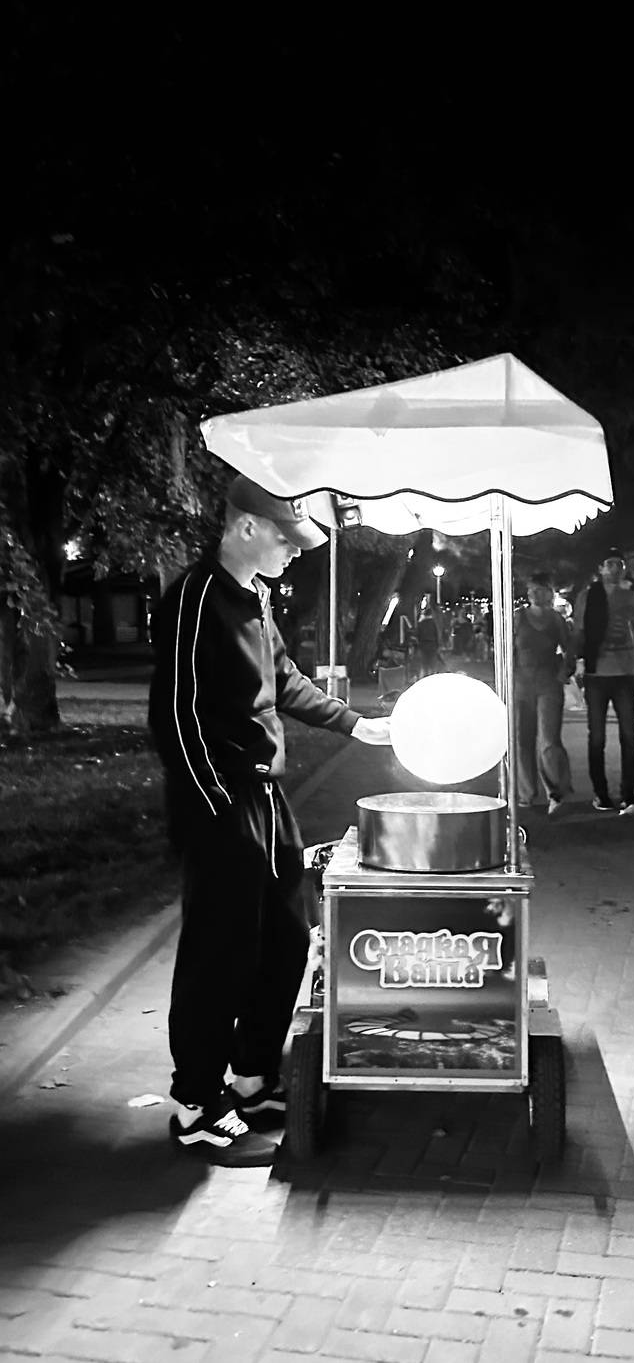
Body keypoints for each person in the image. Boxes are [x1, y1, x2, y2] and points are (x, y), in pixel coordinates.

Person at [149, 475, 391, 1166]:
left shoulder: (255, 596)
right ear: (247, 526)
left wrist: (354, 724)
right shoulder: (195, 599)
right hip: (219, 799)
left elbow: (282, 680)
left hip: (264, 794)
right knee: (219, 951)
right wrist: (213, 802)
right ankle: (197, 1106)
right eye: (288, 538)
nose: (295, 551)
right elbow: (174, 713)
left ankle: (252, 1078)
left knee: (287, 937)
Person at [572, 548, 634, 816]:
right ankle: (600, 792)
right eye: (610, 564)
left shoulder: (630, 598)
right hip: (597, 673)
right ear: (601, 568)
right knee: (597, 737)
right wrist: (577, 661)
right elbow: (579, 630)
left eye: (619, 564)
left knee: (629, 736)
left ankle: (628, 793)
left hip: (625, 672)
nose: (615, 569)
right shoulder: (587, 596)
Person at [513, 571, 574, 815]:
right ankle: (526, 793)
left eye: (539, 590)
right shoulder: (518, 617)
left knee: (549, 740)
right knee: (522, 740)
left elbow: (569, 650)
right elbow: (507, 649)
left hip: (548, 683)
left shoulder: (556, 620)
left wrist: (564, 671)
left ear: (549, 593)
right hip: (521, 685)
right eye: (531, 590)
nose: (534, 594)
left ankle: (556, 792)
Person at [414, 596, 444, 679]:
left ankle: (425, 676)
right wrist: (439, 645)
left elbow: (417, 635)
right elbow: (437, 634)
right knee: (432, 663)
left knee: (424, 663)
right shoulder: (433, 623)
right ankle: (432, 677)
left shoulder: (420, 624)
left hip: (423, 645)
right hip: (433, 645)